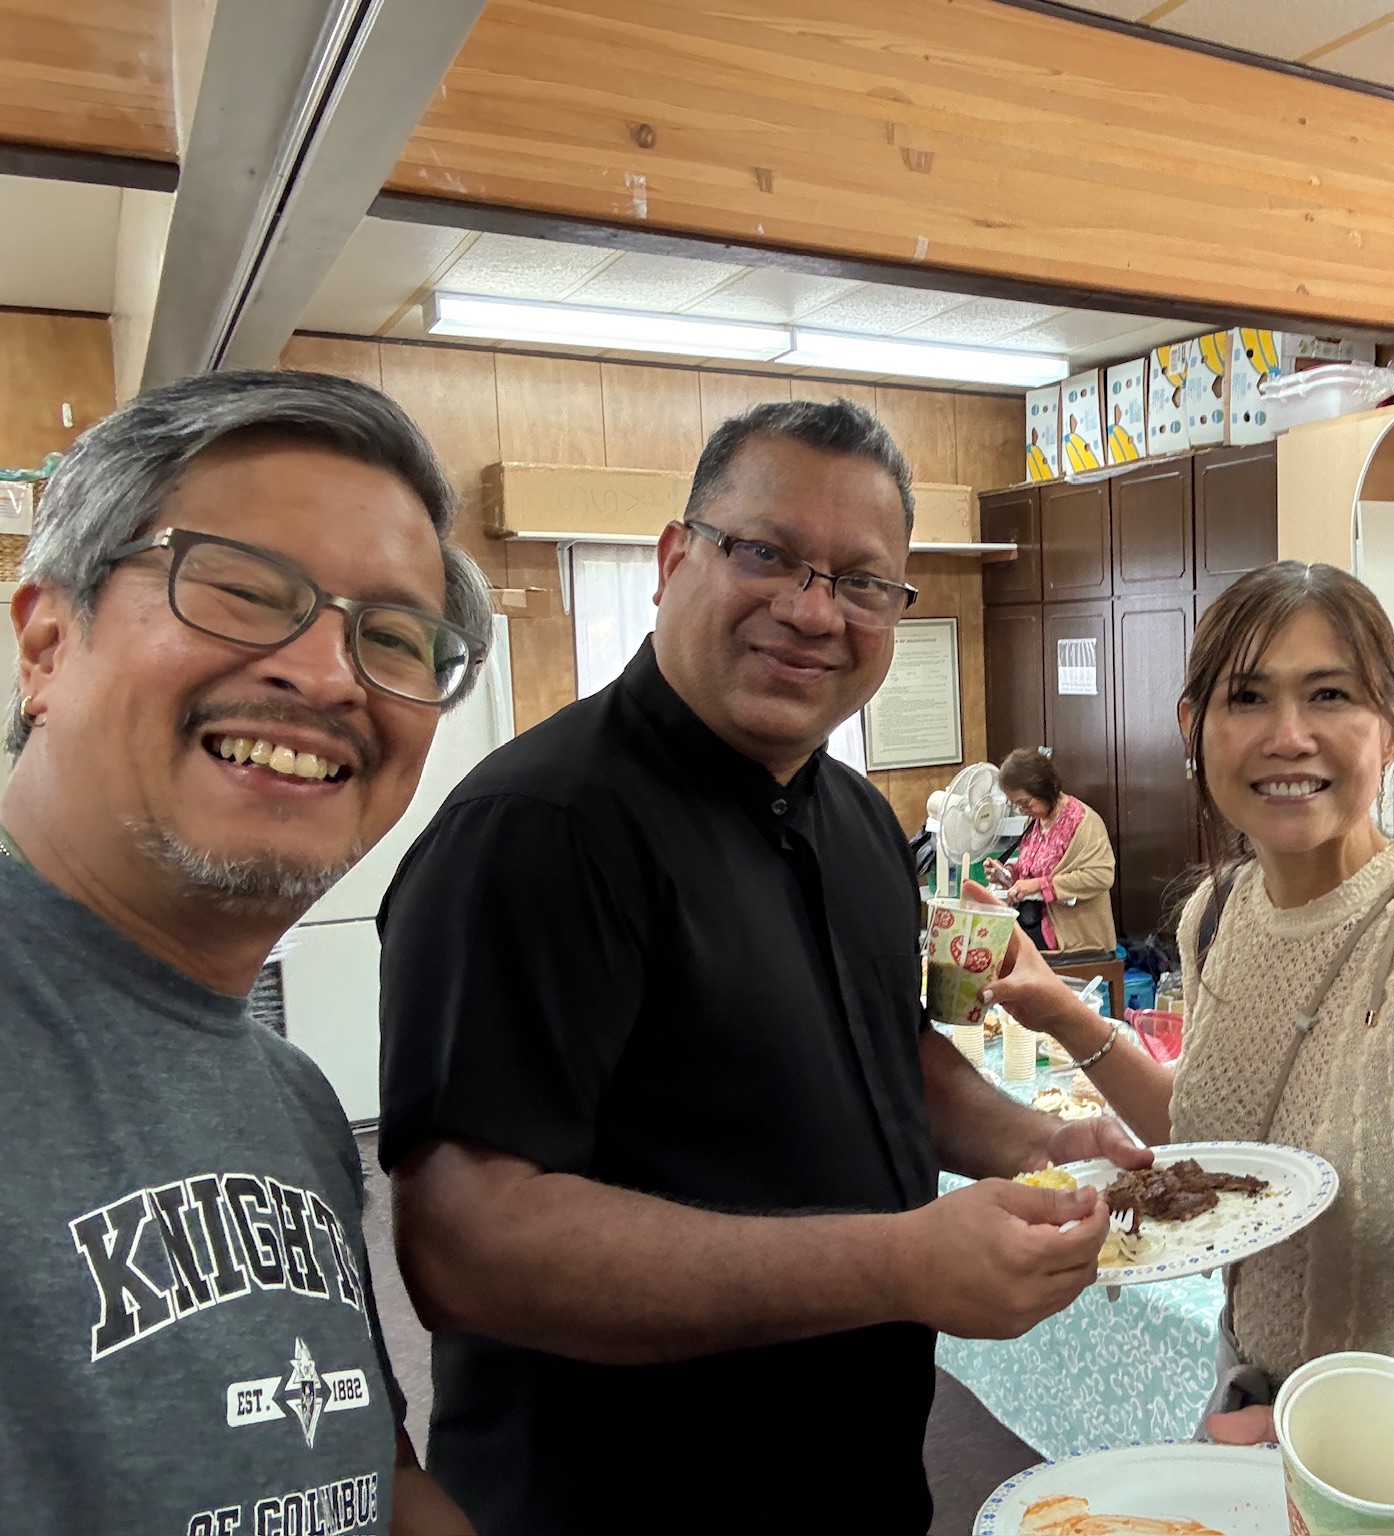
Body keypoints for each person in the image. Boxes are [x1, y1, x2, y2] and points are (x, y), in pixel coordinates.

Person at [375, 398, 1151, 1533]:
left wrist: (1039, 1145)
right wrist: (893, 1265)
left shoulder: (849, 815)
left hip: (857, 1474)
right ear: (672, 559)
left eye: (863, 581)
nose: (811, 610)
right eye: (766, 554)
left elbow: (885, 1053)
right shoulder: (540, 829)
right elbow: (466, 1246)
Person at [0, 370, 488, 1534]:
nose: (325, 675)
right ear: (47, 641)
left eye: (397, 638)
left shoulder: (291, 1098)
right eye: (238, 588)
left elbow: (371, 1475)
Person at [985, 561, 1394, 1523]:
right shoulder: (1217, 917)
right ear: (1193, 728)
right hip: (1249, 1410)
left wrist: (1352, 1474)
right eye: (1247, 697)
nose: (1288, 736)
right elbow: (1221, 1147)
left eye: (1329, 694)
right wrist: (1065, 1015)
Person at [989, 745, 1116, 953]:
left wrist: (1040, 885)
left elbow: (1101, 875)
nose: (1024, 811)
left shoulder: (1084, 822)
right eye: (1018, 806)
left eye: (1025, 803)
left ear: (1043, 788)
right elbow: (1030, 872)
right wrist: (1006, 874)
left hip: (1072, 934)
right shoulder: (1034, 822)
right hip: (1035, 921)